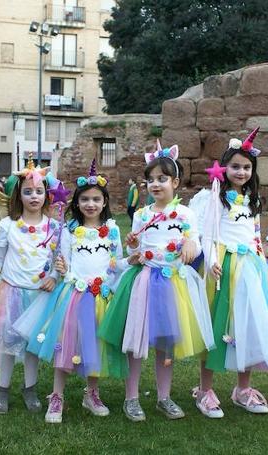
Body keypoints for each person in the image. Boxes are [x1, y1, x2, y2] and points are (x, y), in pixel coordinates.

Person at [189, 129, 268, 418]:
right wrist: (210, 260)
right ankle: (205, 389)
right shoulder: (213, 197)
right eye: (235, 166)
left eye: (247, 167)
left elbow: (255, 234)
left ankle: (242, 388)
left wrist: (261, 261)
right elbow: (205, 233)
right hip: (223, 267)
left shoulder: (251, 199)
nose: (241, 172)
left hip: (250, 269)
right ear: (224, 168)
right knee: (216, 325)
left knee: (248, 326)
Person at [98, 142, 215, 422]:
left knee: (166, 344)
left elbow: (195, 244)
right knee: (136, 342)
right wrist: (132, 245)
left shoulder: (186, 214)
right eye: (150, 180)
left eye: (162, 179)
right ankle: (132, 397)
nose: (155, 184)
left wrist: (189, 243)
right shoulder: (141, 214)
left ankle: (164, 396)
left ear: (175, 182)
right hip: (145, 282)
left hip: (173, 285)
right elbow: (133, 250)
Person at [14, 160, 134, 423]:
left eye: (96, 199)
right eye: (85, 200)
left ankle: (92, 393)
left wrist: (131, 260)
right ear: (77, 203)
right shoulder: (69, 230)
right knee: (65, 347)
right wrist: (62, 268)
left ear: (104, 202)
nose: (90, 204)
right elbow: (64, 260)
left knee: (95, 345)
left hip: (101, 295)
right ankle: (57, 396)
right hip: (73, 295)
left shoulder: (112, 230)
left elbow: (116, 264)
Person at [0, 157, 58, 415]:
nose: (34, 196)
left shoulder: (53, 227)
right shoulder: (8, 226)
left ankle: (30, 388)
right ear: (18, 195)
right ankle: (3, 390)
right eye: (28, 192)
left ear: (46, 195)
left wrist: (53, 275)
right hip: (10, 292)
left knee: (33, 345)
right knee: (8, 345)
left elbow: (56, 260)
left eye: (39, 191)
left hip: (38, 295)